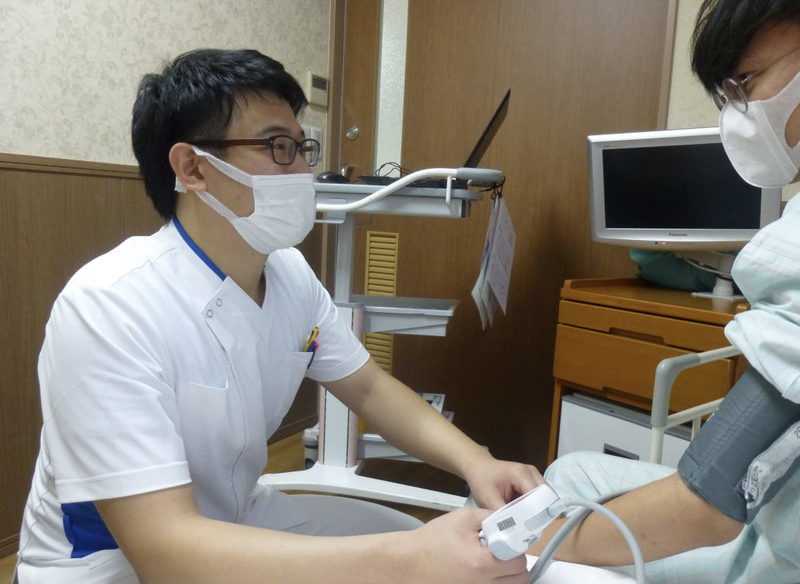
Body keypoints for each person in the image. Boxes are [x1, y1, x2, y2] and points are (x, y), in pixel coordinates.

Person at [14, 49, 542, 584]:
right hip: (115, 564)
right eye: (277, 147)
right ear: (193, 168)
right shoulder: (108, 305)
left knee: (423, 542)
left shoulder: (288, 273)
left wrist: (478, 461)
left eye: (301, 147)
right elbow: (162, 551)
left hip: (236, 515)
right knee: (411, 561)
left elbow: (368, 389)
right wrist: (407, 560)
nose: (303, 171)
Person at [531, 1, 800, 582]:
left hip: (777, 551)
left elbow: (707, 501)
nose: (738, 113)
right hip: (774, 513)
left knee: (537, 550)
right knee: (571, 474)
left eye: (745, 81)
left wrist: (531, 544)